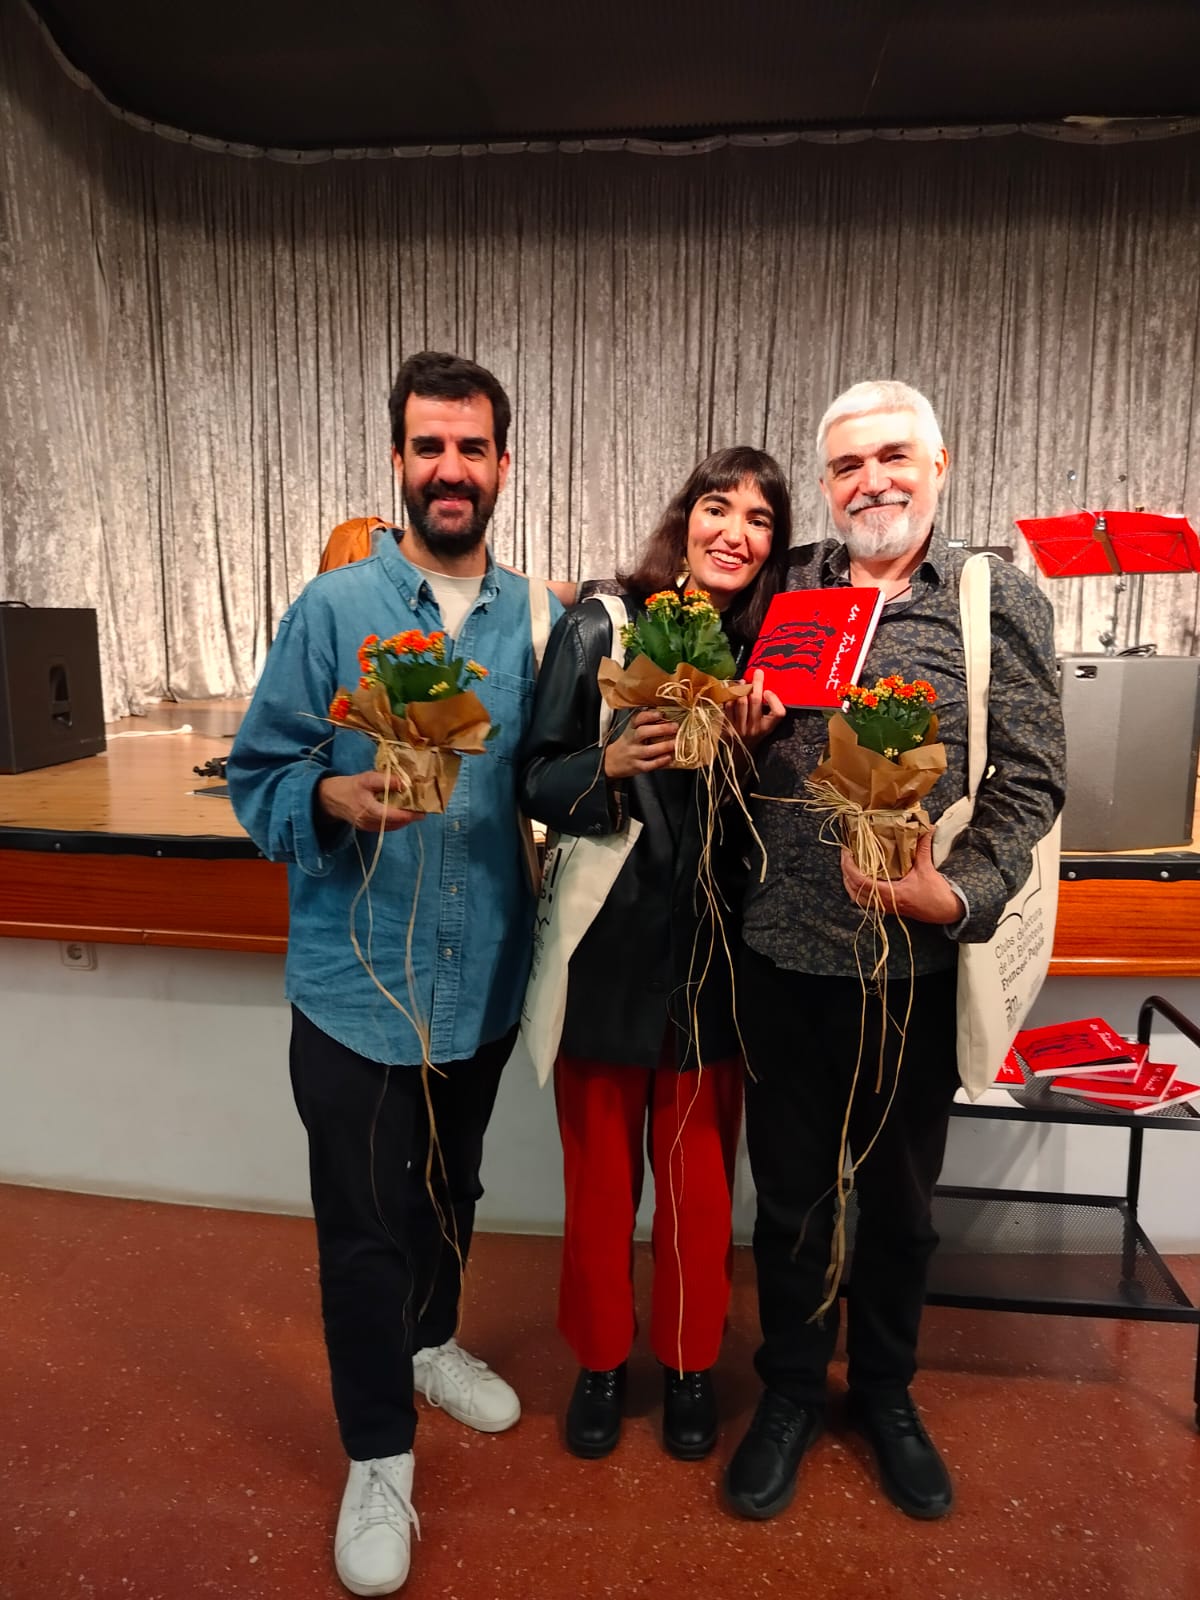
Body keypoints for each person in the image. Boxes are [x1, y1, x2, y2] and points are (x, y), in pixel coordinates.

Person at [228, 351, 562, 1597]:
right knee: (365, 1230)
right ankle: (379, 1456)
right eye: (429, 446)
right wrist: (329, 795)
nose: (450, 469)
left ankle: (431, 1342)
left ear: (504, 465)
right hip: (355, 985)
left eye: (472, 447)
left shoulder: (536, 621)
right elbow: (259, 773)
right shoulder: (333, 610)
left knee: (449, 1190)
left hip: (483, 980)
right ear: (398, 461)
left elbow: (551, 778)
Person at [725, 381, 1066, 1523]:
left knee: (903, 1208)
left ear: (938, 465)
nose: (870, 482)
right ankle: (788, 1391)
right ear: (826, 483)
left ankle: (883, 1391)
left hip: (913, 971)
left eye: (892, 458)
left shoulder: (990, 597)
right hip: (780, 954)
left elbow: (1031, 777)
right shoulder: (785, 586)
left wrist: (958, 894)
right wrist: (738, 728)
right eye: (846, 466)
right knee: (789, 1205)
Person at [519, 447, 789, 1464]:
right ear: (684, 519)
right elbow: (534, 777)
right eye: (719, 507)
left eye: (760, 519)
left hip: (716, 960)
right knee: (598, 1188)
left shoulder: (770, 655)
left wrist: (758, 749)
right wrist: (607, 762)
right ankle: (599, 1361)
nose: (735, 533)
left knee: (700, 1192)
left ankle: (689, 1364)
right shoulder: (601, 625)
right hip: (608, 951)